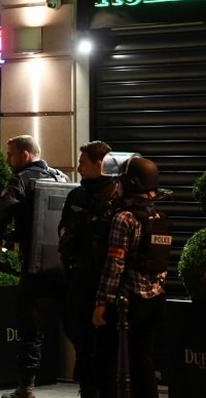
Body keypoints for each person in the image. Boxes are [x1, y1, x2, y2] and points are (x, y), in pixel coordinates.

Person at [0, 135, 68, 398]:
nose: (7, 159)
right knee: (72, 325)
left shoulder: (20, 180)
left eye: (10, 154)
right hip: (61, 266)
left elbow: (3, 211)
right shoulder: (59, 177)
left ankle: (27, 387)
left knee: (29, 328)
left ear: (25, 155)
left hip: (34, 267)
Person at [92, 157, 170, 398]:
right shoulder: (159, 218)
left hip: (128, 302)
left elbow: (115, 264)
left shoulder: (124, 218)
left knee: (111, 360)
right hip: (155, 299)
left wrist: (101, 303)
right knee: (143, 359)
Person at [58, 141, 121, 398]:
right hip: (78, 278)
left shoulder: (118, 195)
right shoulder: (77, 195)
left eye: (83, 162)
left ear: (100, 164)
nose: (78, 167)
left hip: (104, 281)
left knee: (104, 347)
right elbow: (63, 226)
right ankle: (86, 388)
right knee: (79, 336)